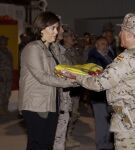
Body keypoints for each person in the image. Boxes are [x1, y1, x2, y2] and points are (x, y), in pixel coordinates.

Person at [63, 13, 135, 150]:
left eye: (122, 30)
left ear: (128, 33)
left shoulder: (126, 58)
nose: (119, 33)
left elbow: (99, 83)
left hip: (128, 120)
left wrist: (76, 76)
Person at [18, 11, 77, 150]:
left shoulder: (48, 49)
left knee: (47, 143)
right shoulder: (33, 48)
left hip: (50, 102)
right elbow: (42, 76)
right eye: (53, 28)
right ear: (41, 28)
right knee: (37, 144)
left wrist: (75, 75)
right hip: (36, 104)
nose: (56, 32)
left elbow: (55, 73)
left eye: (57, 28)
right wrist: (69, 82)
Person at [87, 36, 113, 150]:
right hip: (98, 95)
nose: (105, 46)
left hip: (108, 95)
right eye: (102, 44)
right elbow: (93, 78)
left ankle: (107, 143)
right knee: (101, 121)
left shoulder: (108, 56)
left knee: (107, 121)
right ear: (96, 45)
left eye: (106, 44)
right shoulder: (93, 59)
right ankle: (101, 145)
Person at [0, 36, 13, 115]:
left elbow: (11, 63)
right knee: (1, 92)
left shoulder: (8, 51)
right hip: (1, 76)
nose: (4, 43)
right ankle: (1, 108)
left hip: (8, 76)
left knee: (8, 92)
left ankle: (5, 108)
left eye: (5, 42)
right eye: (2, 42)